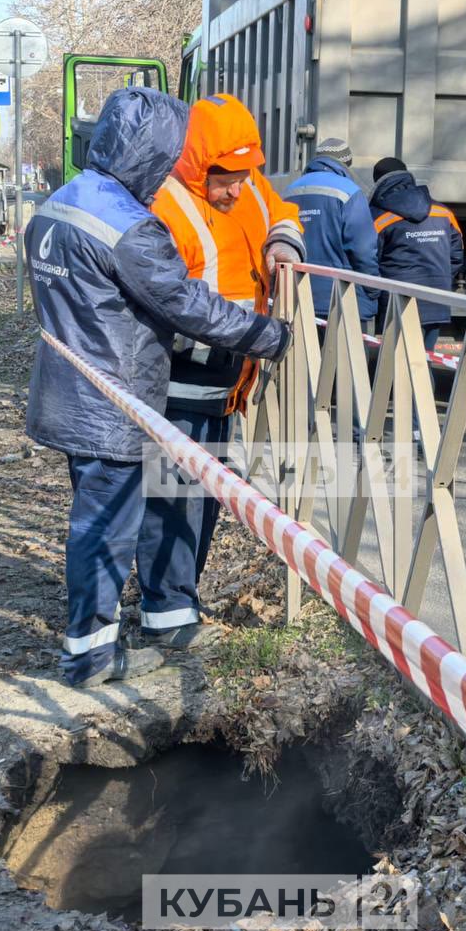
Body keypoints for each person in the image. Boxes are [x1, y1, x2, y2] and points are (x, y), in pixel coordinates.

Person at [25, 86, 291, 689]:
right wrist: (264, 334)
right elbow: (184, 302)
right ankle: (89, 658)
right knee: (106, 532)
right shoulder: (130, 226)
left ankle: (97, 641)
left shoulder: (60, 202)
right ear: (149, 151)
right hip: (115, 405)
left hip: (68, 393)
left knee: (96, 525)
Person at [135, 92, 305, 649]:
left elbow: (279, 209)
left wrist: (283, 239)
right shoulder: (165, 204)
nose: (238, 188)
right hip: (180, 380)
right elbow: (168, 299)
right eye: (226, 178)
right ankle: (166, 615)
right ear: (197, 165)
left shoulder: (246, 183)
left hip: (230, 382)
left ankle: (180, 601)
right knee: (174, 496)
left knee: (205, 497)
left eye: (244, 175)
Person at [369, 157, 463, 351]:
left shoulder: (379, 217)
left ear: (378, 182)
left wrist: (375, 293)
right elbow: (456, 255)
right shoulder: (442, 212)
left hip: (397, 302)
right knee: (424, 362)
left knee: (399, 366)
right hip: (436, 298)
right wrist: (439, 280)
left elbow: (369, 259)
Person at [282, 137, 379, 323]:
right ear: (345, 164)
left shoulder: (289, 191)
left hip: (296, 295)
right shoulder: (350, 191)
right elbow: (363, 249)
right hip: (340, 297)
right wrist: (373, 288)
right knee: (345, 352)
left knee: (303, 351)